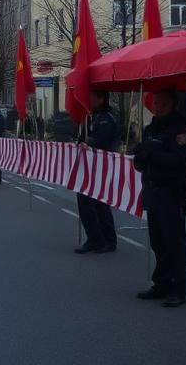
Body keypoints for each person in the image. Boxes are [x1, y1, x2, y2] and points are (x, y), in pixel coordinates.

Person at [132, 89, 186, 308]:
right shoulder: (152, 127)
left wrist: (152, 154)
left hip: (172, 192)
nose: (158, 107)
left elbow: (179, 160)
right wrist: (142, 154)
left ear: (173, 104)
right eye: (156, 103)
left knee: (174, 242)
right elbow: (139, 161)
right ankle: (162, 283)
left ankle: (178, 288)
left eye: (163, 104)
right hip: (152, 190)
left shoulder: (180, 128)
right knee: (158, 241)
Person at [75, 90, 120, 254]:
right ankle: (102, 238)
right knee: (95, 202)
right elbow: (81, 138)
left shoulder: (105, 119)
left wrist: (88, 142)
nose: (88, 99)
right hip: (90, 166)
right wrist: (82, 142)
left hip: (101, 167)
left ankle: (100, 239)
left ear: (101, 99)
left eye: (91, 96)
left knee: (94, 202)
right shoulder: (91, 117)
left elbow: (101, 142)